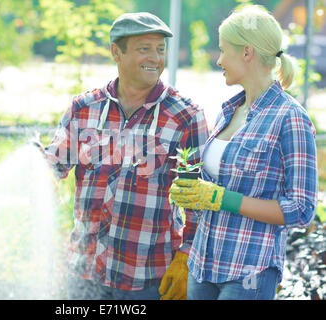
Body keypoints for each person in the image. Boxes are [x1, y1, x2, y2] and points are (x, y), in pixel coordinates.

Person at [38, 12, 209, 300]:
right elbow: (53, 165)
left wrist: (187, 256)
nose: (155, 58)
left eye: (160, 49)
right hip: (83, 275)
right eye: (145, 49)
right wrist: (35, 161)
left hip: (149, 281)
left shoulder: (185, 117)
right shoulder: (84, 108)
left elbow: (198, 198)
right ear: (116, 52)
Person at [169, 5, 318, 300]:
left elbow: (302, 210)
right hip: (203, 262)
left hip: (249, 270)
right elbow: (220, 183)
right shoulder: (229, 111)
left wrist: (224, 198)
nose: (220, 59)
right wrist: (193, 193)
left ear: (247, 53)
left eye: (224, 50)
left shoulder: (291, 118)